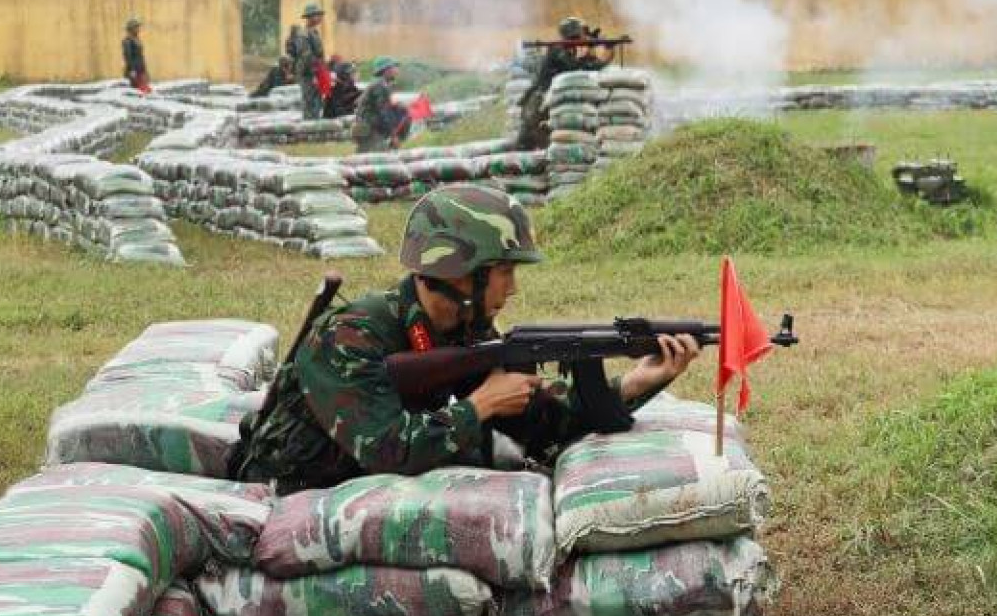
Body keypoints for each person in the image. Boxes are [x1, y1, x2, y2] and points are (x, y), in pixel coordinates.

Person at [229, 186, 699, 493]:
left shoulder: (466, 332)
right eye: (504, 272)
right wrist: (480, 407)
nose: (512, 288)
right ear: (461, 273)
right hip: (290, 488)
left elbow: (544, 424)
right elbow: (389, 450)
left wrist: (636, 383)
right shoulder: (349, 336)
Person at [515, 16, 615, 149]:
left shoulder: (570, 51)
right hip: (538, 106)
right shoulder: (557, 50)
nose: (585, 37)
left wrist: (605, 52)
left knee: (552, 150)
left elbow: (591, 68)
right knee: (529, 148)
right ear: (574, 34)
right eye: (583, 33)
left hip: (550, 106)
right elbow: (577, 69)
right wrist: (587, 53)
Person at [352, 57, 409, 152]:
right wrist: (393, 135)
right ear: (386, 70)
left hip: (372, 125)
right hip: (370, 128)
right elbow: (384, 112)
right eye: (394, 67)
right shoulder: (380, 86)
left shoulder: (381, 84)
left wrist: (397, 106)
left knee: (403, 111)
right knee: (376, 156)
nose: (397, 70)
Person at [286, 3, 328, 119]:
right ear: (309, 17)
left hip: (315, 72)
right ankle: (309, 127)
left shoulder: (313, 32)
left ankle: (314, 127)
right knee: (309, 102)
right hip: (308, 74)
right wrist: (313, 74)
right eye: (317, 15)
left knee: (317, 102)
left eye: (320, 15)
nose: (320, 17)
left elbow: (318, 55)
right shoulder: (303, 34)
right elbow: (306, 56)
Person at [121, 18, 152, 93]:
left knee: (146, 91)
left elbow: (140, 56)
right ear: (131, 29)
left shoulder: (137, 39)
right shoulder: (127, 41)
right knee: (140, 92)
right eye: (136, 27)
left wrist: (145, 70)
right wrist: (132, 70)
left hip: (141, 69)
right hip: (135, 71)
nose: (138, 29)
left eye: (138, 27)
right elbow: (128, 57)